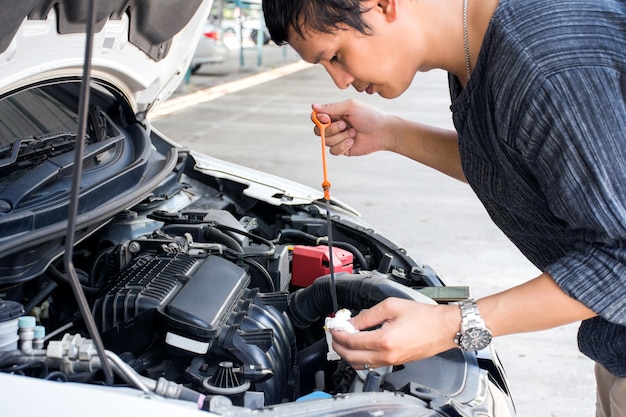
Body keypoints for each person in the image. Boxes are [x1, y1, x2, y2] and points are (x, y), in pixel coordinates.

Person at [262, 0, 626, 415]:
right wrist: (391, 134)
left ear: (381, 4)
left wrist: (451, 326)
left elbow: (620, 261)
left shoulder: (544, 61)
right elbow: (528, 166)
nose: (340, 80)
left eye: (336, 55)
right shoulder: (479, 50)